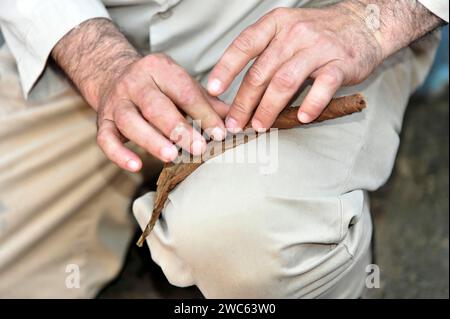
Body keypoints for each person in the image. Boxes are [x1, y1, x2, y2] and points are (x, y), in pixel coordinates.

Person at [0, 0, 447, 298]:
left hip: (304, 30)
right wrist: (98, 61)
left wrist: (377, 19)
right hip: (93, 45)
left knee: (246, 235)